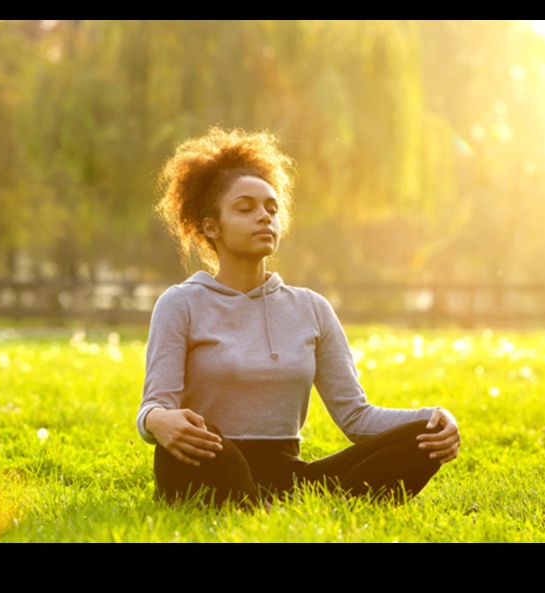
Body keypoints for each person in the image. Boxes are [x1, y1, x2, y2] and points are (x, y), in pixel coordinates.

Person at [137, 127, 460, 508]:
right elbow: (154, 405)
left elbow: (356, 417)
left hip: (288, 475)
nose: (264, 217)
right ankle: (254, 504)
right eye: (246, 208)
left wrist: (436, 418)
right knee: (213, 453)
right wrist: (159, 422)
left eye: (271, 209)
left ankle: (262, 504)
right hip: (207, 460)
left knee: (424, 437)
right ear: (211, 226)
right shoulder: (180, 304)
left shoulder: (311, 308)